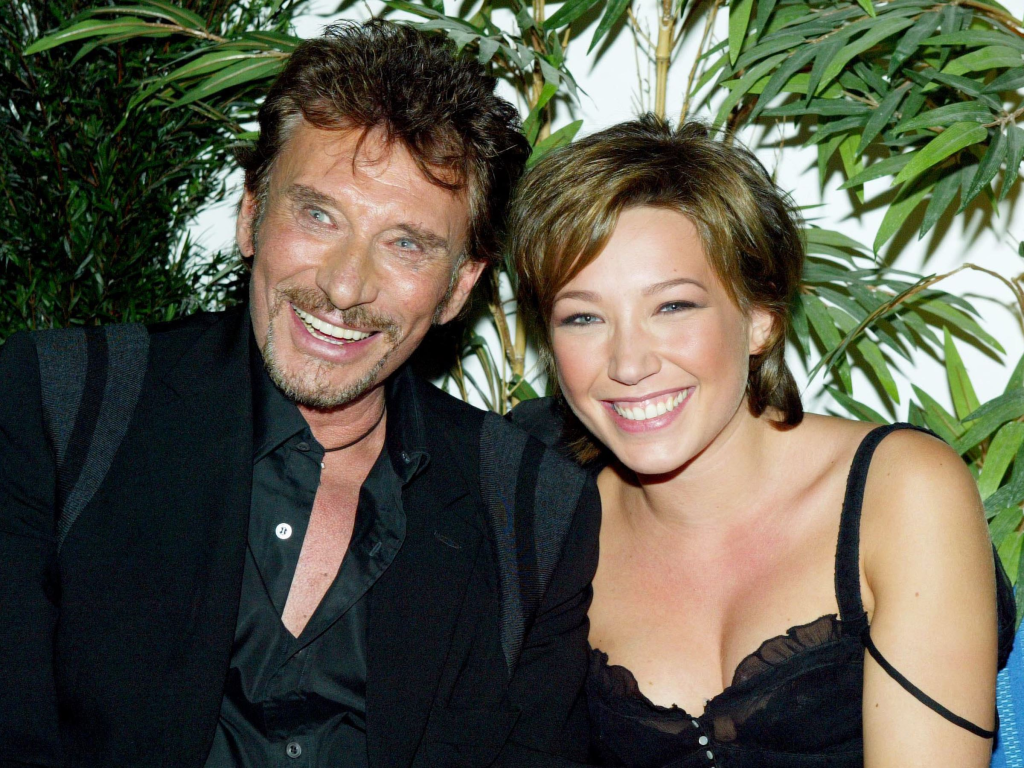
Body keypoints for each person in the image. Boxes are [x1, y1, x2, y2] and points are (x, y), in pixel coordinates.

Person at [0, 21, 600, 768]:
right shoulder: (64, 405)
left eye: (406, 244)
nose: (345, 287)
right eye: (318, 215)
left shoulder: (533, 510)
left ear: (459, 287)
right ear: (250, 215)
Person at [508, 116, 1015, 767]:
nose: (628, 363)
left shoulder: (899, 491)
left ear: (759, 318)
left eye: (673, 306)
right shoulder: (544, 515)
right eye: (583, 317)